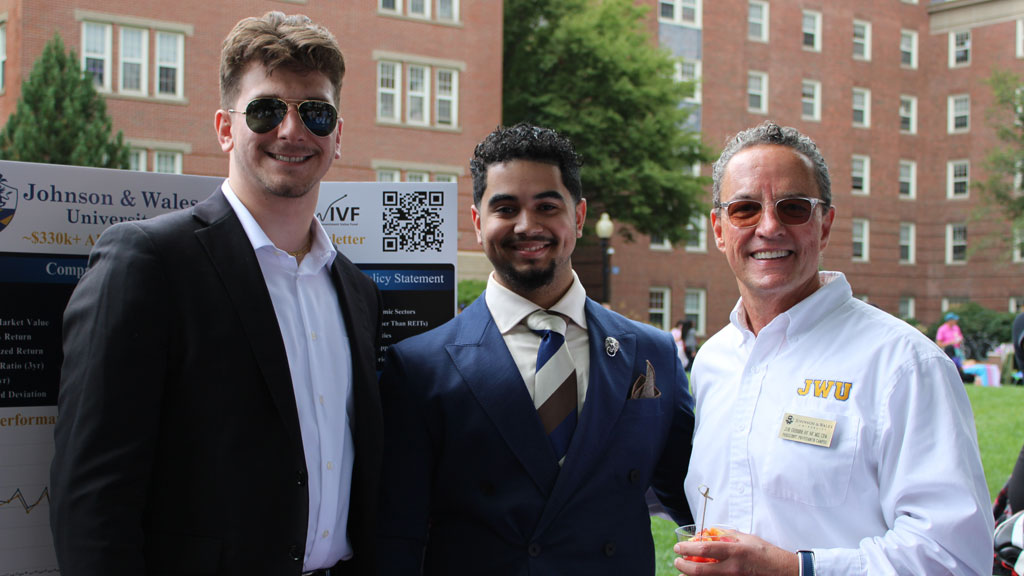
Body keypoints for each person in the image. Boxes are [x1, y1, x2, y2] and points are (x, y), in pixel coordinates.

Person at [50, 12, 383, 576]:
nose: (291, 131)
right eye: (266, 110)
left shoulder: (357, 290)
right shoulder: (148, 262)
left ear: (338, 137)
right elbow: (92, 497)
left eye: (316, 113)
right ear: (227, 128)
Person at [376, 123, 695, 575]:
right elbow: (397, 533)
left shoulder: (653, 352)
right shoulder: (418, 368)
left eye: (547, 206)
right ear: (476, 222)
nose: (527, 225)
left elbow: (699, 494)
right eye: (505, 208)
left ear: (579, 217)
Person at [676, 121, 991, 575]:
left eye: (794, 208)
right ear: (719, 230)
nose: (769, 226)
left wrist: (792, 569)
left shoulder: (904, 365)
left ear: (824, 226)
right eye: (745, 209)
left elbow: (955, 556)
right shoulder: (713, 361)